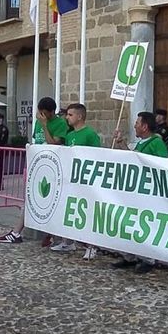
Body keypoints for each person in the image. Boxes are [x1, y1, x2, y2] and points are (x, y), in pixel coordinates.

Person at [0, 98, 69, 244]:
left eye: (44, 113)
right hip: (39, 166)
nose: (41, 115)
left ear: (51, 112)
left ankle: (52, 234)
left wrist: (44, 125)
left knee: (51, 201)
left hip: (54, 168)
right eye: (40, 112)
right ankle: (17, 232)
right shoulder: (38, 121)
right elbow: (37, 141)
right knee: (31, 199)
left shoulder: (60, 123)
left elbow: (53, 143)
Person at [111, 111, 168, 273]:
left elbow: (162, 164)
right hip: (136, 192)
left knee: (145, 226)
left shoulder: (156, 143)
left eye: (137, 123)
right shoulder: (142, 142)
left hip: (148, 194)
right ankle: (129, 256)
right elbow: (133, 157)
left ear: (144, 126)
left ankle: (148, 259)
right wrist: (121, 143)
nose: (135, 126)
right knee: (129, 223)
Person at [54, 103, 102, 258]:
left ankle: (92, 246)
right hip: (72, 179)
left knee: (88, 212)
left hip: (86, 179)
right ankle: (68, 241)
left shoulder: (90, 134)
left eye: (70, 115)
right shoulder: (69, 136)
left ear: (80, 116)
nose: (67, 118)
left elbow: (97, 155)